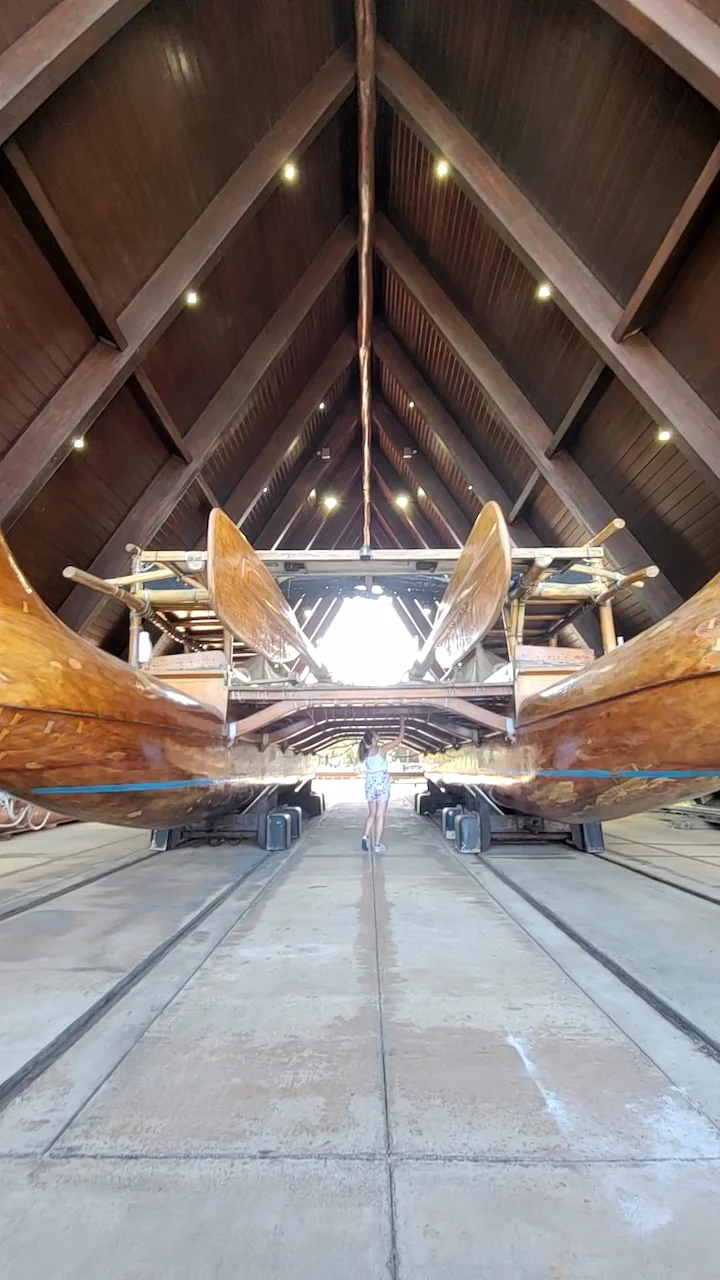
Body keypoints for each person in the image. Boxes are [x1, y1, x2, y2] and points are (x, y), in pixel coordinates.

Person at [358, 721, 404, 853]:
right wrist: (401, 721)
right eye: (376, 734)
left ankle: (365, 836)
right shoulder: (381, 750)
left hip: (370, 784)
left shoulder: (365, 752)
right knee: (380, 815)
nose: (379, 735)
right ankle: (377, 845)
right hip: (381, 784)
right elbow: (400, 739)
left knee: (372, 814)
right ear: (373, 737)